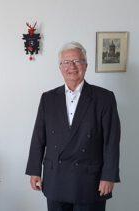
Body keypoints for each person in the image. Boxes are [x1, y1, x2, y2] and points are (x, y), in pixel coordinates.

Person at [26, 42, 120, 211]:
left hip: (90, 180)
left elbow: (111, 141)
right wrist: (34, 171)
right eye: (66, 62)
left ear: (86, 65)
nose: (72, 66)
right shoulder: (48, 98)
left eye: (77, 61)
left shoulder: (104, 98)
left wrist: (109, 176)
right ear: (60, 67)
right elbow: (38, 137)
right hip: (56, 179)